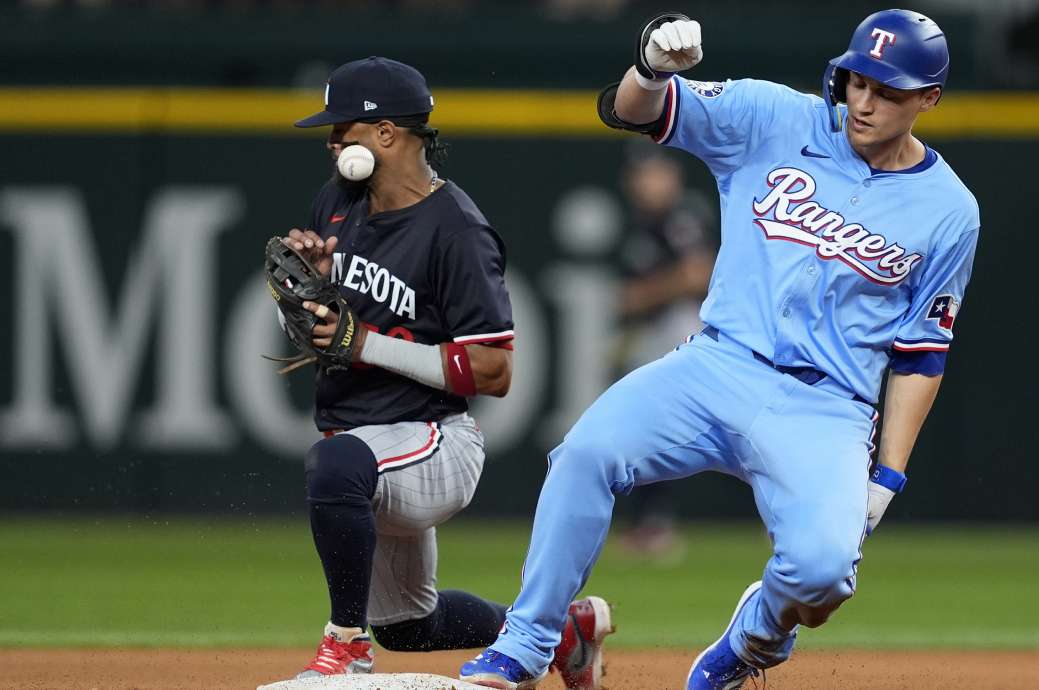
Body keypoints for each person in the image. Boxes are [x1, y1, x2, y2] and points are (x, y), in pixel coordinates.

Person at [460, 9, 979, 690]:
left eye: (887, 90)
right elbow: (631, 112)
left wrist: (888, 477)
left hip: (825, 407)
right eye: (856, 81)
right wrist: (648, 67)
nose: (864, 100)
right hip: (716, 365)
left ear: (929, 98)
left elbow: (920, 354)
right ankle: (530, 642)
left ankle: (752, 640)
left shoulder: (950, 210)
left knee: (823, 575)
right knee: (585, 453)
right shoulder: (774, 117)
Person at [278, 57, 611, 688]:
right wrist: (310, 295)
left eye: (340, 127)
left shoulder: (456, 229)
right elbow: (329, 338)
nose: (330, 141)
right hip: (363, 439)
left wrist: (364, 344)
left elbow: (494, 370)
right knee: (410, 627)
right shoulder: (337, 204)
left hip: (436, 442)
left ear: (386, 134)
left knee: (334, 466)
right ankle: (565, 634)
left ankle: (344, 644)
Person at [612, 144, 714, 558]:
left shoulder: (683, 218)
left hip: (687, 331)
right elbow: (625, 298)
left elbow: (700, 275)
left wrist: (652, 291)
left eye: (656, 173)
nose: (649, 182)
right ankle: (650, 524)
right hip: (651, 335)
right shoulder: (636, 226)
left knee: (719, 432)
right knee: (645, 432)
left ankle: (781, 517)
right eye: (642, 175)